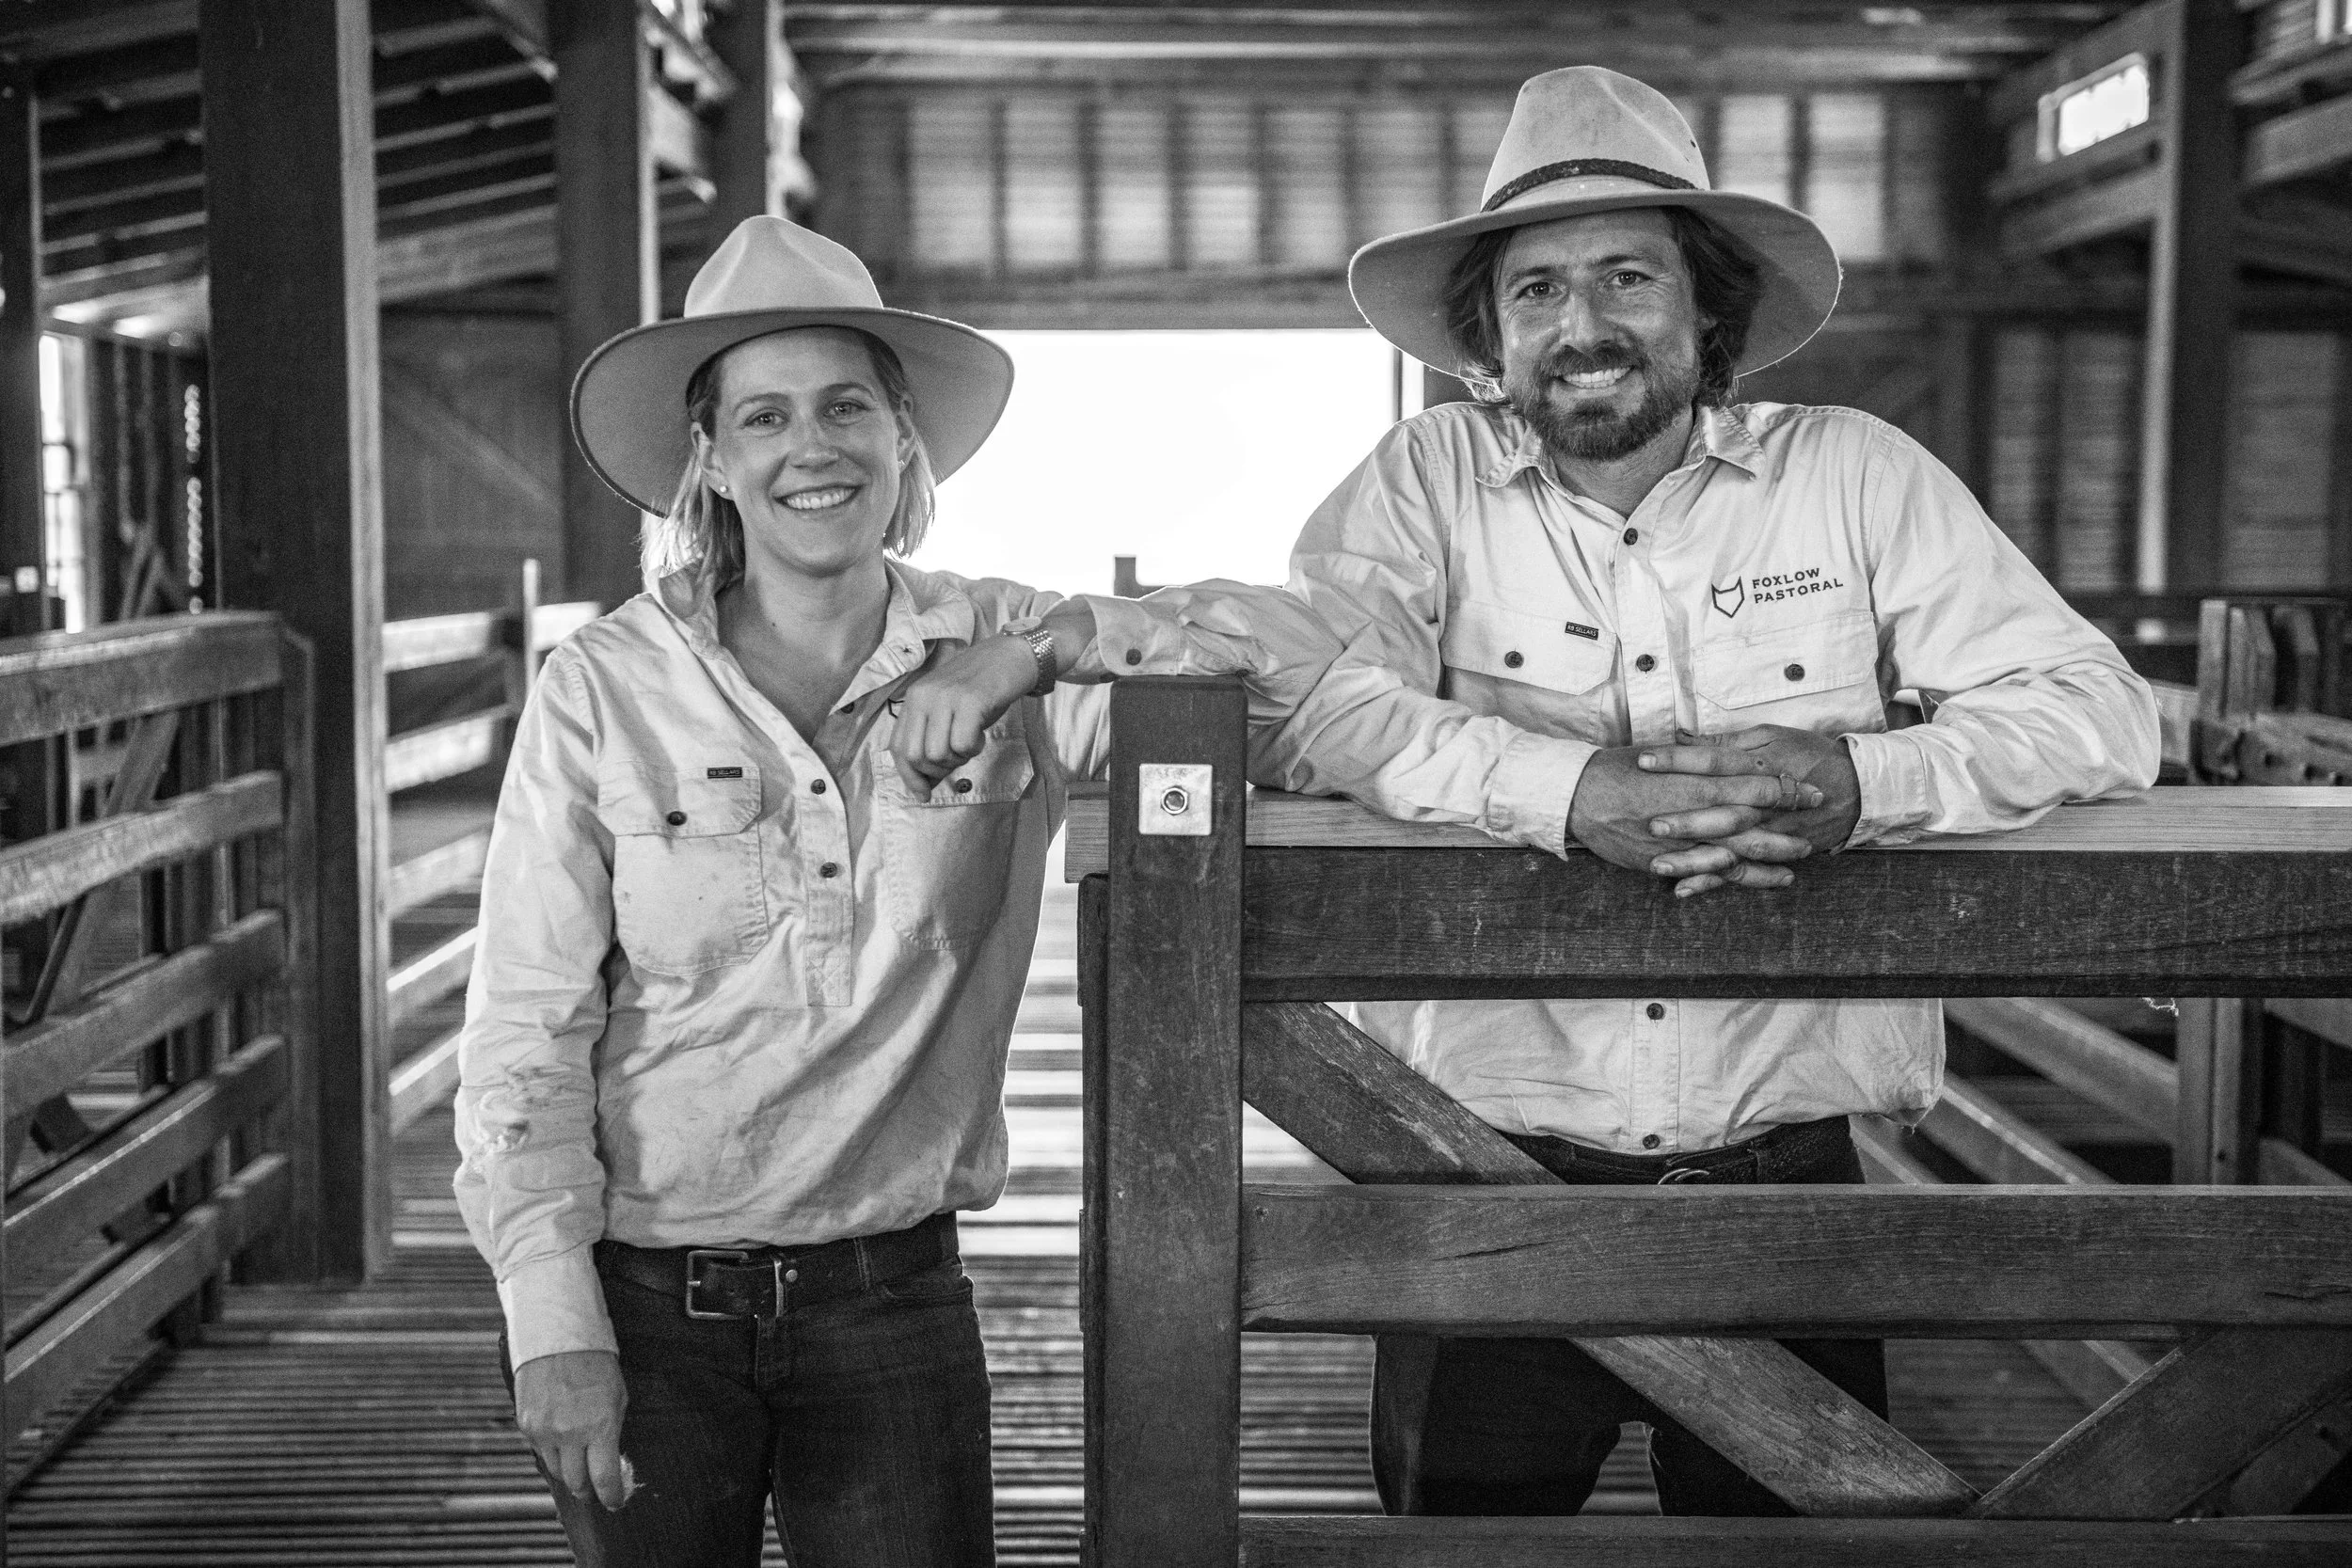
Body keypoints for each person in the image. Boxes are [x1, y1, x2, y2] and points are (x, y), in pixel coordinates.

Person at [897, 66, 2159, 1518]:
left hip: (1788, 1180)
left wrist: (1864, 778)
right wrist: (1571, 793)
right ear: (1491, 341)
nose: (1585, 323)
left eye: (1628, 275)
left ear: (1707, 312)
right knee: (1461, 1545)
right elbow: (1314, 686)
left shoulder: (1856, 478)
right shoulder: (1424, 481)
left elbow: (2096, 710)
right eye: (1539, 291)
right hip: (1467, 1171)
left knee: (1806, 1554)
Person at [452, 216, 1333, 1568]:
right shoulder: (602, 688)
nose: (814, 447)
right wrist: (550, 1319)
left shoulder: (996, 643)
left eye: (847, 405)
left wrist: (1040, 654)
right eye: (766, 416)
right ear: (715, 460)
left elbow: (1289, 663)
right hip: (640, 1294)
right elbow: (526, 1024)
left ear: (903, 438)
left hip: (891, 1297)